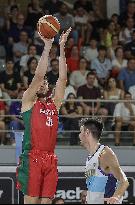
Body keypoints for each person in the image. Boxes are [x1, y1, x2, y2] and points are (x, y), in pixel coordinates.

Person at [16, 27, 71, 204]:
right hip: (32, 157)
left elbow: (62, 79)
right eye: (41, 82)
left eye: (46, 82)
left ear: (48, 88)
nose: (42, 84)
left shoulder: (54, 105)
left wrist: (62, 48)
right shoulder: (28, 102)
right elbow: (39, 76)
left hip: (50, 158)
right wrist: (48, 46)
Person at [79, 117, 129, 204]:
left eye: (80, 132)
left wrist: (115, 197)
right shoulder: (90, 157)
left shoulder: (105, 153)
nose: (79, 135)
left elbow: (124, 181)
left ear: (87, 133)